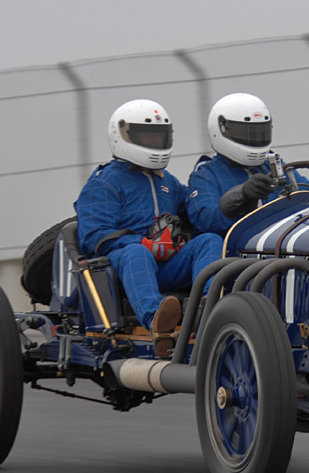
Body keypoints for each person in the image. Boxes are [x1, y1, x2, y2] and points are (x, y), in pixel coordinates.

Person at [74, 99, 222, 357]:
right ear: (121, 135)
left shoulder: (168, 182)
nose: (154, 144)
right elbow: (94, 236)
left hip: (167, 264)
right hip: (124, 267)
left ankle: (209, 308)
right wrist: (145, 245)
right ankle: (157, 321)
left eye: (159, 138)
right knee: (136, 253)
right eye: (147, 137)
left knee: (209, 240)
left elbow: (195, 213)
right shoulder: (105, 182)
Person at [187, 93, 309, 236]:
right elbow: (204, 220)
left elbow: (304, 200)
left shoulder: (273, 165)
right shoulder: (205, 175)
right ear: (220, 129)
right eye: (245, 133)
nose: (254, 139)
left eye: (259, 132)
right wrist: (241, 196)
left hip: (282, 243)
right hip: (238, 255)